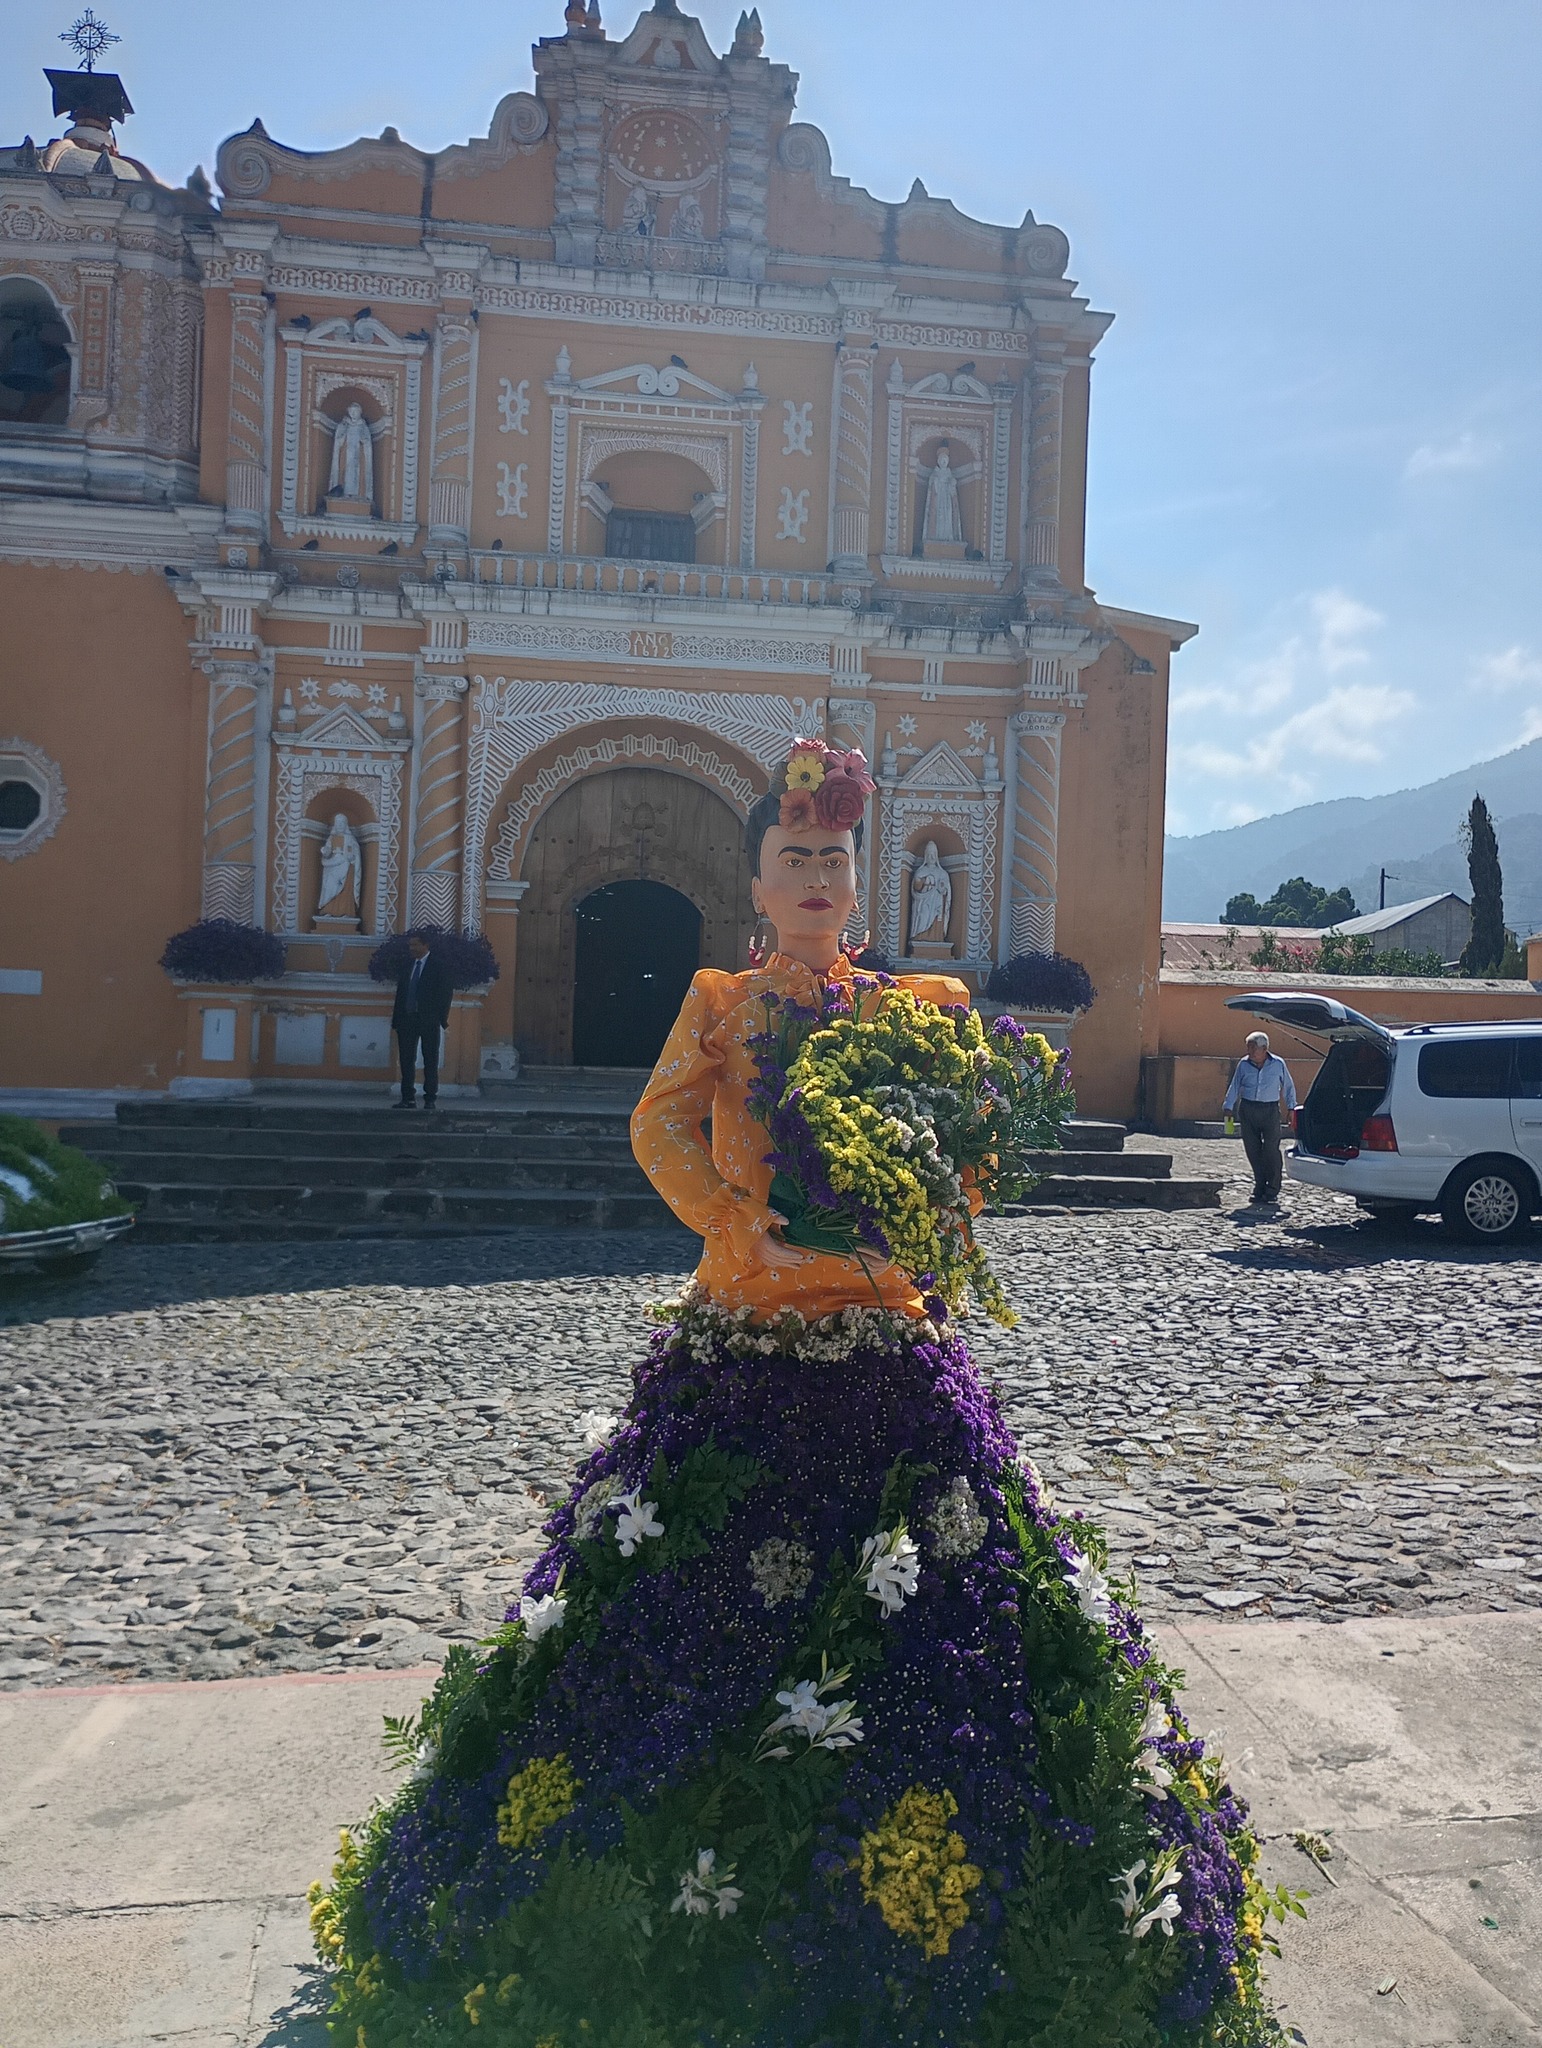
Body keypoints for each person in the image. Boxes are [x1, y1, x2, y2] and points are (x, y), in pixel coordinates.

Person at [312, 742, 1279, 2045]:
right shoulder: (721, 1001)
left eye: (834, 859)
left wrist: (932, 1224)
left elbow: (975, 1143)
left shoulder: (918, 1008)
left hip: (884, 1337)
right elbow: (659, 1126)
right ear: (754, 888)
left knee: (957, 1597)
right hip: (750, 1333)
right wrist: (731, 1227)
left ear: (860, 888)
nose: (816, 876)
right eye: (793, 861)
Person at [1223, 1027, 1299, 1206]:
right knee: (1253, 1150)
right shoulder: (1243, 1064)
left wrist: (1291, 1108)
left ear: (1264, 1049)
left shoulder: (1278, 1064)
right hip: (1248, 1109)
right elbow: (1235, 1086)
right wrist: (1228, 1107)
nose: (1249, 1052)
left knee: (1271, 1150)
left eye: (1252, 1048)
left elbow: (1288, 1087)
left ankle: (1272, 1188)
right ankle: (1259, 1186)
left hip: (1270, 1110)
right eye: (1248, 1047)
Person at [390, 931, 452, 1111]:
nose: (412, 948)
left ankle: (430, 1097)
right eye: (410, 945)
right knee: (407, 1059)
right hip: (407, 1019)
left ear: (426, 945)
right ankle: (407, 1097)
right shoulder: (407, 966)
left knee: (430, 1059)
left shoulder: (438, 966)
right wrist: (397, 1019)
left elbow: (445, 994)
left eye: (415, 945)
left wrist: (440, 1017)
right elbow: (401, 994)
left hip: (428, 1020)